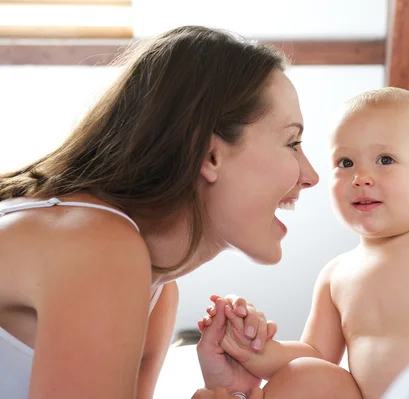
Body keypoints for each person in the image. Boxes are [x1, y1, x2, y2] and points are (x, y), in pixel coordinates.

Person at [0, 25, 318, 399]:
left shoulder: (157, 287)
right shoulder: (97, 249)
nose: (310, 176)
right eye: (292, 142)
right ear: (209, 154)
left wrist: (229, 392)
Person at [199, 87, 409, 399]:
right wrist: (256, 350)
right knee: (306, 374)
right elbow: (317, 353)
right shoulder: (336, 274)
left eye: (384, 159)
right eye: (346, 163)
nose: (361, 177)